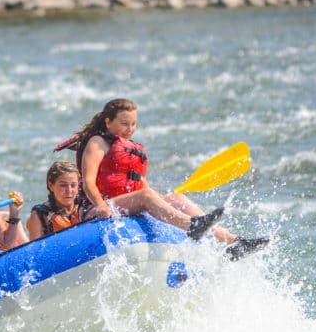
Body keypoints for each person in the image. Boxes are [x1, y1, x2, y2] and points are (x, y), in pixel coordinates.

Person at [58, 98, 267, 257]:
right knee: (147, 196)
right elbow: (88, 181)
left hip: (126, 204)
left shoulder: (130, 149)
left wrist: (163, 200)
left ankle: (231, 243)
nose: (130, 129)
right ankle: (192, 226)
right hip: (96, 209)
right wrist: (100, 205)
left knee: (177, 198)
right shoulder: (97, 142)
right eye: (124, 123)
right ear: (108, 122)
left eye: (133, 124)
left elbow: (141, 185)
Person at [27, 160, 83, 240]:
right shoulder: (40, 216)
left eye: (73, 185)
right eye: (63, 185)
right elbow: (34, 251)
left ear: (78, 185)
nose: (69, 190)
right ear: (51, 186)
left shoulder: (86, 207)